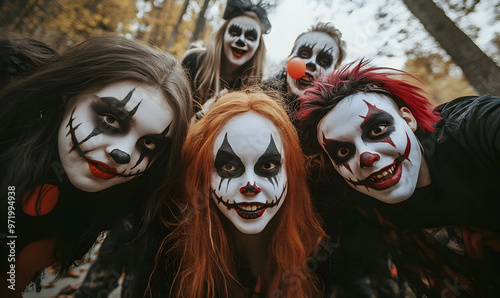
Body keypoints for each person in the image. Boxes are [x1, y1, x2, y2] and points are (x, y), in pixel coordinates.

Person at [0, 35, 192, 297]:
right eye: (110, 120)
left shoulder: (112, 199)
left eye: (148, 143)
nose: (122, 154)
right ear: (70, 92)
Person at [298, 60, 500, 296]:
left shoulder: (469, 128)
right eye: (343, 152)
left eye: (377, 130)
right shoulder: (359, 207)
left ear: (408, 119)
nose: (366, 157)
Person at [148, 90, 327, 297]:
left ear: (291, 171)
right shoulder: (169, 261)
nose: (250, 186)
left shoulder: (323, 256)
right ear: (202, 174)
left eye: (267, 165)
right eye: (229, 167)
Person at [181, 0, 271, 110]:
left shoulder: (257, 88)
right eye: (234, 33)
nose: (241, 41)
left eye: (250, 38)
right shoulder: (192, 62)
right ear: (223, 34)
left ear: (258, 46)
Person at [264, 22, 345, 121]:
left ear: (333, 75)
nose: (311, 63)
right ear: (287, 62)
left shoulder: (335, 120)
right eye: (304, 54)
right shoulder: (256, 100)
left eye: (324, 61)